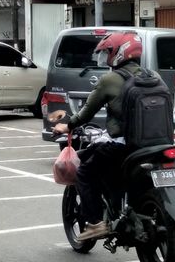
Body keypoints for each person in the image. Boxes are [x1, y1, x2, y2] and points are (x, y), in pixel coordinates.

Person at [49, 31, 144, 242]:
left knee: (84, 172)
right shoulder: (150, 76)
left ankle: (95, 223)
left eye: (108, 52)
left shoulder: (111, 79)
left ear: (120, 53)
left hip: (123, 146)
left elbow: (87, 112)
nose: (106, 58)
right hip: (154, 144)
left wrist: (68, 126)